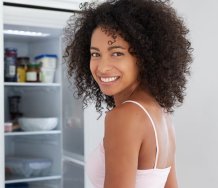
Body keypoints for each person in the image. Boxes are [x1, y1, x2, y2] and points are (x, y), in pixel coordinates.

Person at [64, 0, 192, 187]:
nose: (102, 67)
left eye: (116, 53)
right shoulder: (161, 111)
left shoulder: (125, 117)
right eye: (95, 54)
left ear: (144, 57)